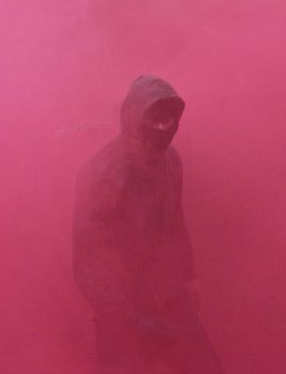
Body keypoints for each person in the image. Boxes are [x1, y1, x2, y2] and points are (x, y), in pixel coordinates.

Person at [73, 75, 224, 374]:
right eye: (154, 118)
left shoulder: (171, 161)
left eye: (170, 118)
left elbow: (175, 223)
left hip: (169, 297)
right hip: (120, 310)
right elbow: (86, 263)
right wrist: (126, 318)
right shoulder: (100, 173)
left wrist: (188, 276)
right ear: (132, 116)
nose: (163, 128)